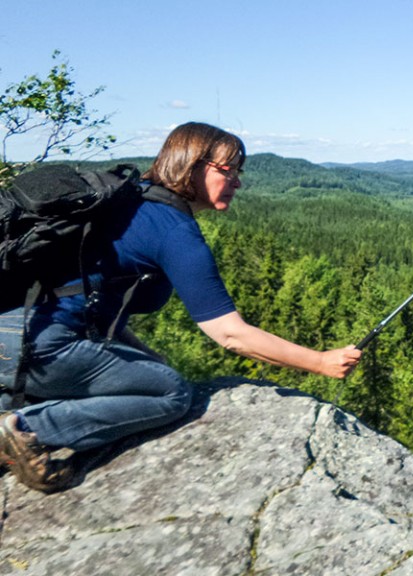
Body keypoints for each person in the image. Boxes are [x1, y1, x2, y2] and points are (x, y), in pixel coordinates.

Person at [0, 122, 361, 493]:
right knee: (170, 392)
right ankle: (28, 430)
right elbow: (231, 334)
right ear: (193, 165)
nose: (238, 181)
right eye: (229, 170)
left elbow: (93, 306)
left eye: (239, 171)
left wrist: (146, 357)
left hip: (13, 337)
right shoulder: (173, 230)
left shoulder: (130, 201)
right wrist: (320, 362)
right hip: (43, 349)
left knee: (154, 373)